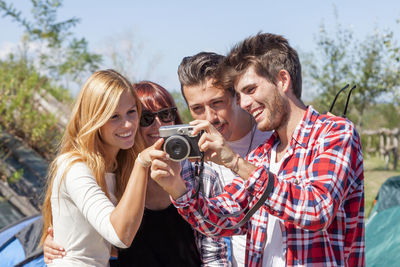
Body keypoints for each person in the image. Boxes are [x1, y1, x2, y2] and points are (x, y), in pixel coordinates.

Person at [151, 33, 365, 267]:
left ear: (282, 80)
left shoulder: (333, 133)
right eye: (240, 94)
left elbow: (317, 210)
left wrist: (236, 163)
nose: (243, 103)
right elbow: (224, 221)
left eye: (251, 89)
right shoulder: (261, 155)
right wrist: (178, 189)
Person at [43, 81, 229, 266]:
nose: (158, 125)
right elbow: (100, 235)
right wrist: (58, 242)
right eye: (146, 118)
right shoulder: (116, 172)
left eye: (166, 114)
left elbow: (214, 250)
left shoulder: (200, 174)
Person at [41, 69, 159, 266]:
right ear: (94, 119)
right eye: (114, 116)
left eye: (131, 112)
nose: (128, 124)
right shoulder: (75, 168)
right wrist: (142, 163)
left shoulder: (116, 166)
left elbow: (110, 246)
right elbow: (120, 236)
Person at [177, 52, 272, 266]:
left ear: (236, 97)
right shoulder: (192, 156)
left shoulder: (273, 136)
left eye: (217, 103)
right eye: (197, 109)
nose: (210, 117)